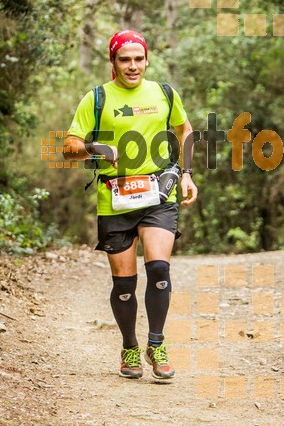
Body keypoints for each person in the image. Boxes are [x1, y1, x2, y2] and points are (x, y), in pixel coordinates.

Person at [63, 30, 198, 380]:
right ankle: (129, 346)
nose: (133, 65)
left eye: (139, 58)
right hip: (115, 199)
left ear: (147, 59)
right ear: (113, 62)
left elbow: (185, 131)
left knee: (159, 270)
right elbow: (69, 145)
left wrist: (186, 173)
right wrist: (97, 149)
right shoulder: (95, 99)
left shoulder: (164, 93)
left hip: (159, 194)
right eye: (125, 59)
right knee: (124, 285)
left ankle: (156, 342)